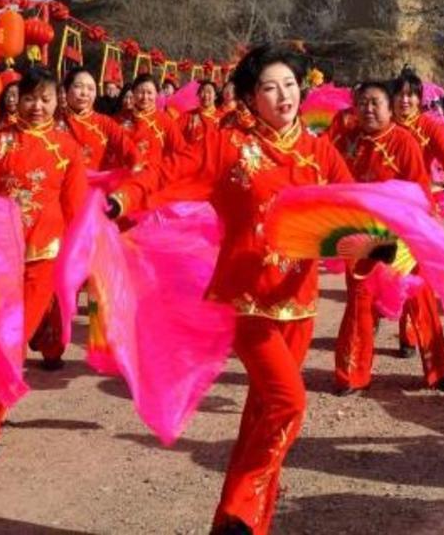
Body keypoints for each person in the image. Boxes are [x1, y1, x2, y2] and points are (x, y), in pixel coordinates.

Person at [109, 44, 353, 535]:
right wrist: (121, 199)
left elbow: (352, 210)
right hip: (246, 300)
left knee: (264, 411)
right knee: (289, 402)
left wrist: (376, 245)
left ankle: (237, 525)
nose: (283, 96)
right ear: (249, 97)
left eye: (290, 84)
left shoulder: (319, 152)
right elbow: (167, 172)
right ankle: (242, 510)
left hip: (298, 301)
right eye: (270, 88)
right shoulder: (227, 145)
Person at [0, 68, 90, 462]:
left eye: (46, 98)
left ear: (58, 101)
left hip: (43, 258)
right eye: (31, 97)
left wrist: (80, 259)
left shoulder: (67, 148)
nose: (37, 106)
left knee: (12, 339)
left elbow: (76, 209)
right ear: (17, 99)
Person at [333, 81, 444, 395]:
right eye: (363, 103)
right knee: (359, 300)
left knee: (419, 300)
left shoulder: (403, 141)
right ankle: (352, 375)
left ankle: (438, 371)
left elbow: (419, 190)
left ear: (389, 109)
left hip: (401, 233)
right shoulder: (345, 139)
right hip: (360, 234)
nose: (368, 109)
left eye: (375, 103)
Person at [59, 67, 129, 171]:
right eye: (78, 86)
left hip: (98, 179)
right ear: (66, 90)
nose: (84, 93)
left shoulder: (105, 122)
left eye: (90, 88)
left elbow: (128, 147)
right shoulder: (53, 122)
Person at [119, 73, 182, 173]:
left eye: (149, 93)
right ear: (133, 93)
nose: (145, 97)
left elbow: (180, 151)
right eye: (140, 92)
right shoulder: (120, 119)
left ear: (156, 94)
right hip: (124, 174)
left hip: (154, 176)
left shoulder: (166, 121)